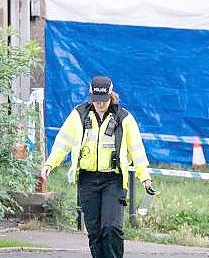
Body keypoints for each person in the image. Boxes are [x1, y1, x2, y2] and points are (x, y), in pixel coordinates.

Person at [40, 75, 153, 258]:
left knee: (111, 228)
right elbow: (63, 142)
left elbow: (137, 150)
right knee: (95, 231)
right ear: (90, 96)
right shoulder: (79, 114)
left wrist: (145, 177)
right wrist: (49, 164)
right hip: (87, 179)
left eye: (104, 100)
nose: (100, 104)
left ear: (111, 96)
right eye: (96, 100)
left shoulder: (124, 118)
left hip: (113, 180)